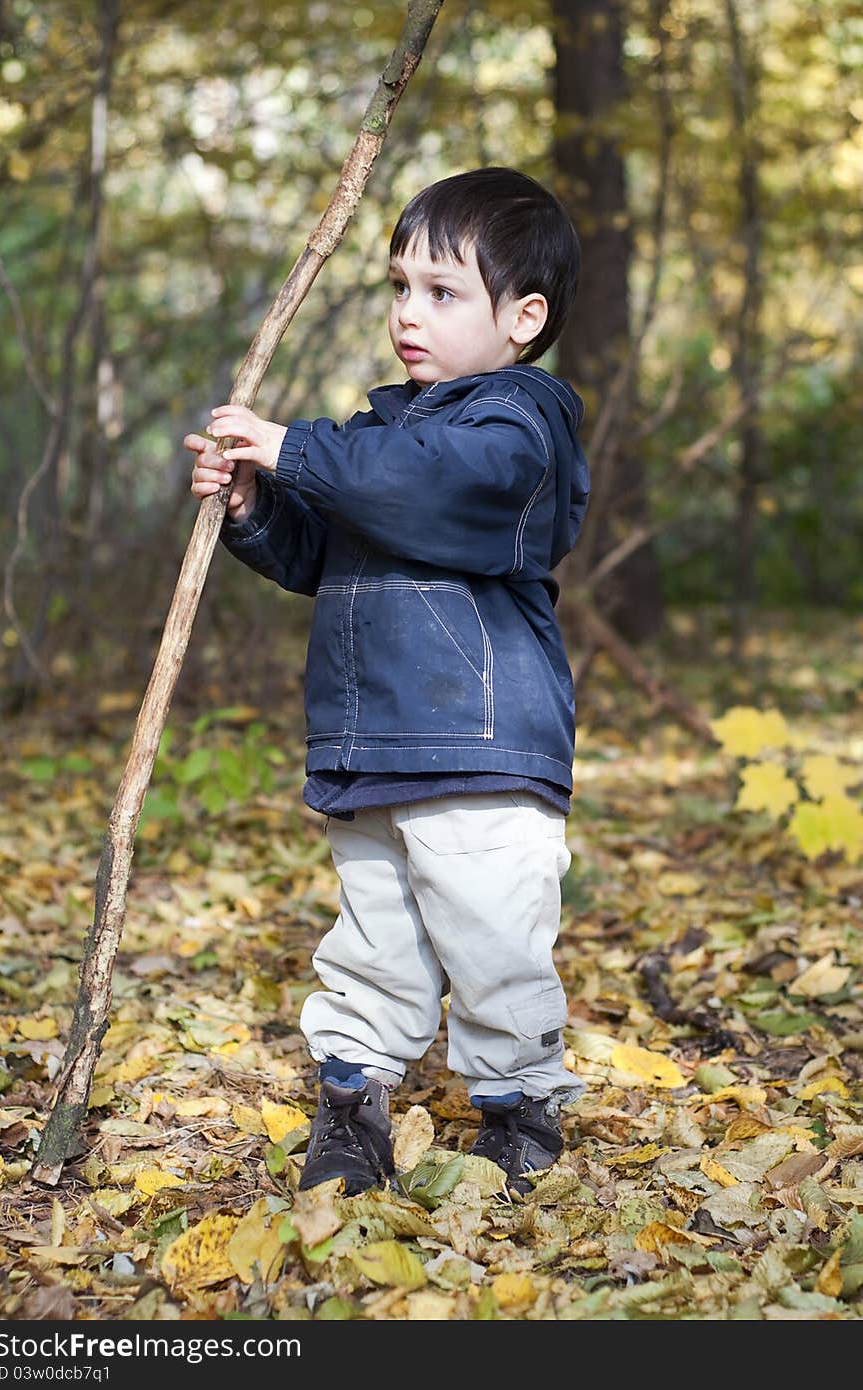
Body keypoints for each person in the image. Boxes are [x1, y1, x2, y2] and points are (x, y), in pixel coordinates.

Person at [184, 166, 590, 1198]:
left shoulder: (518, 425)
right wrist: (254, 506)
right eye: (398, 286)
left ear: (522, 318)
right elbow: (325, 551)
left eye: (443, 292)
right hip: (372, 741)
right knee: (372, 936)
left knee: (493, 939)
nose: (409, 313)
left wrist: (293, 446)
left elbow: (437, 489)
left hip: (480, 746)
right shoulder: (374, 434)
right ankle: (355, 1098)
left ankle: (518, 1108)